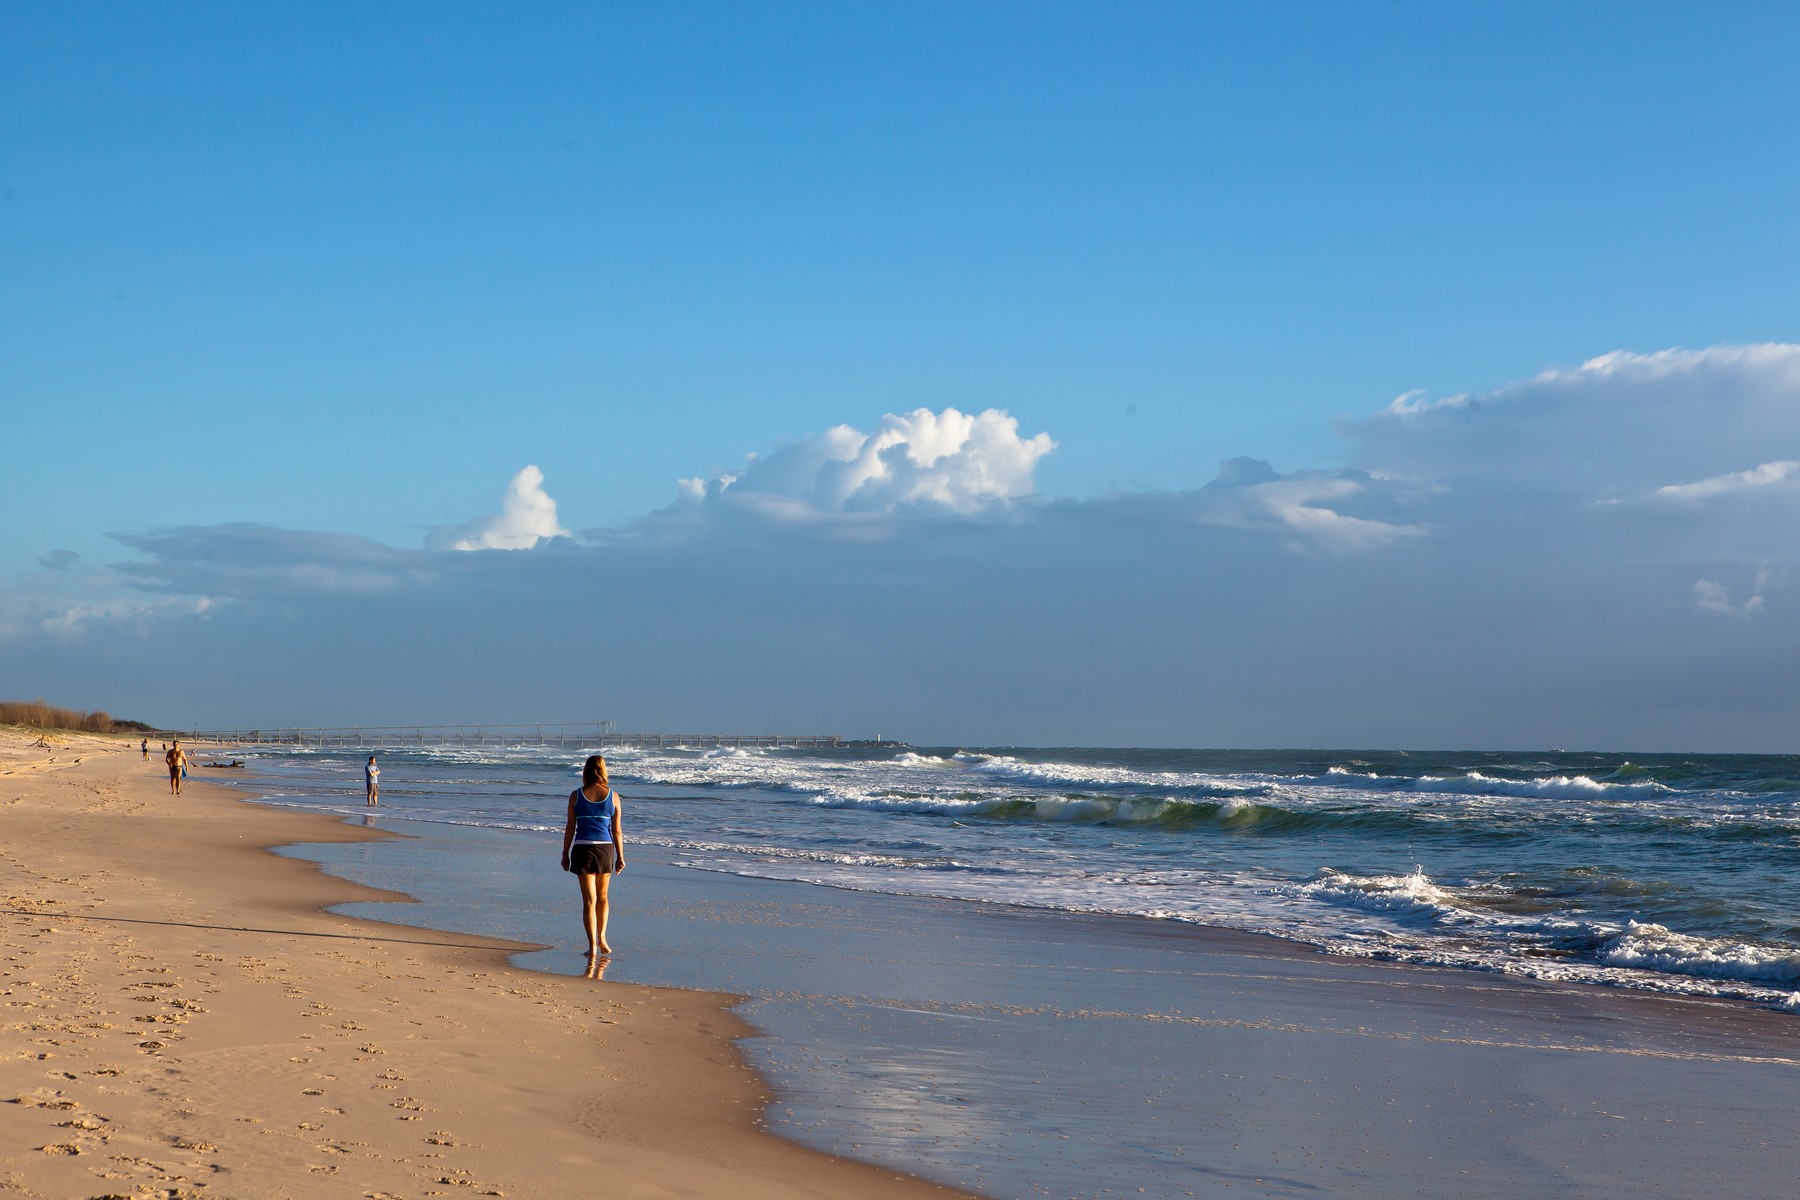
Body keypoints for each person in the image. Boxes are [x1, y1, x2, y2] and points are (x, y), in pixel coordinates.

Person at [559, 754, 625, 957]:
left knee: (589, 901)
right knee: (603, 897)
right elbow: (617, 831)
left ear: (585, 771)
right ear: (604, 770)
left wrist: (565, 853)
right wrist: (621, 857)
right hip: (605, 849)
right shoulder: (613, 796)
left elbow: (570, 828)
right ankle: (603, 938)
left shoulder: (576, 795)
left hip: (582, 849)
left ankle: (592, 947)